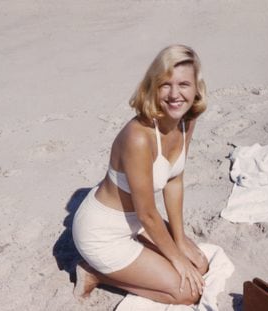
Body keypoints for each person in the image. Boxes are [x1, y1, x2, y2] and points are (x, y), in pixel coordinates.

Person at [72, 44, 209, 306]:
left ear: (196, 88)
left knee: (199, 265)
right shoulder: (138, 137)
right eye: (165, 84)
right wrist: (177, 259)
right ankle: (95, 272)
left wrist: (179, 241)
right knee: (188, 292)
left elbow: (174, 179)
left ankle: (147, 260)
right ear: (153, 86)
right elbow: (147, 212)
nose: (175, 94)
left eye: (183, 84)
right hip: (103, 234)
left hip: (138, 223)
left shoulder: (186, 121)